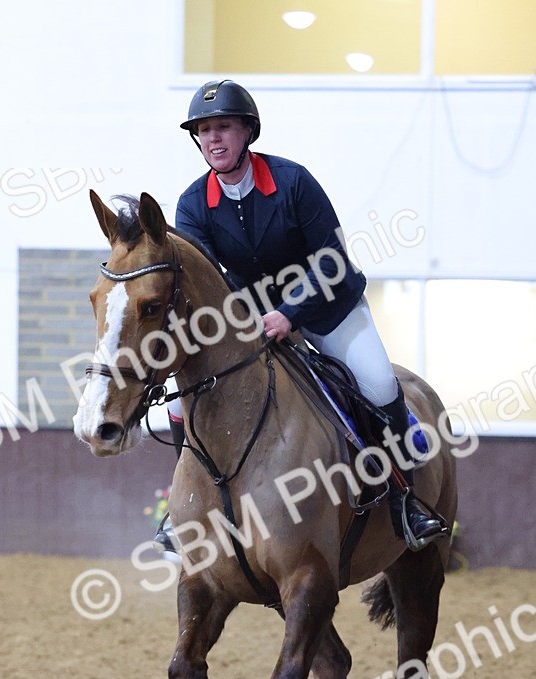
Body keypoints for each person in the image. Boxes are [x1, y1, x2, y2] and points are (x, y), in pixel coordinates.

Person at [155, 78, 445, 554]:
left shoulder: (292, 182)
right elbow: (211, 282)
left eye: (223, 127)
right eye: (204, 130)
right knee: (177, 398)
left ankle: (405, 502)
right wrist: (245, 321)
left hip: (329, 309)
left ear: (248, 131)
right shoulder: (192, 205)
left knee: (377, 384)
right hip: (251, 320)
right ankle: (185, 505)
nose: (213, 139)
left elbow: (330, 260)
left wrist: (289, 314)